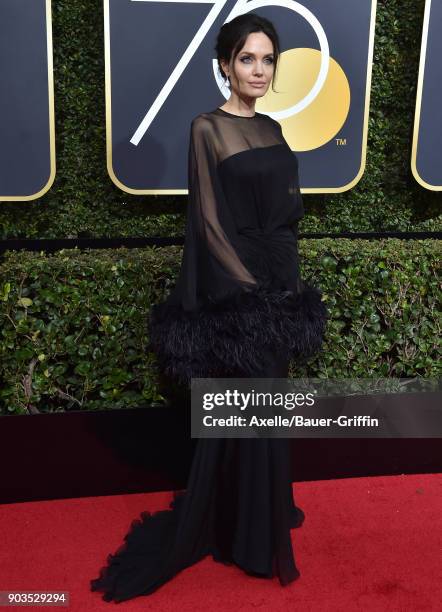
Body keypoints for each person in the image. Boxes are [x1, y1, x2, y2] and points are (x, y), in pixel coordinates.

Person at [90, 12, 328, 603]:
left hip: (281, 271)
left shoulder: (273, 127)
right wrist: (249, 293)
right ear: (225, 65)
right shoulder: (208, 128)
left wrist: (285, 282)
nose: (258, 69)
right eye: (247, 58)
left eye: (267, 59)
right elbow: (209, 223)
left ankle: (256, 516)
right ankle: (244, 533)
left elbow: (287, 206)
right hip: (241, 283)